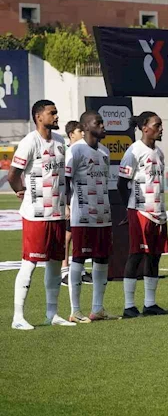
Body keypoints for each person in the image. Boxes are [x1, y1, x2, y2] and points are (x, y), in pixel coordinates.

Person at [9, 100, 74, 330]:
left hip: (56, 213)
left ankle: (52, 314)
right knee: (29, 263)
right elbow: (13, 174)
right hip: (36, 215)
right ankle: (18, 317)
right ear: (39, 117)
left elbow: (63, 178)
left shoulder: (59, 142)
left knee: (56, 263)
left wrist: (65, 204)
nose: (57, 116)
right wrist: (21, 190)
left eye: (56, 112)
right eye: (52, 113)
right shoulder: (29, 142)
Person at [64, 111, 117, 323]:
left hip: (103, 215)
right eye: (99, 122)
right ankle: (75, 310)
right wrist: (67, 205)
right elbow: (65, 180)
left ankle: (98, 309)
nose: (103, 126)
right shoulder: (75, 151)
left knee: (102, 259)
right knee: (79, 258)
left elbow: (107, 184)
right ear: (86, 126)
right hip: (82, 215)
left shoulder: (104, 152)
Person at [118, 111, 168, 318]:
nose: (161, 129)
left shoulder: (159, 152)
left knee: (154, 257)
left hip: (158, 212)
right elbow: (121, 183)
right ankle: (129, 306)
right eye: (157, 125)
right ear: (144, 128)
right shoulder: (134, 151)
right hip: (140, 211)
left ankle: (150, 304)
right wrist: (129, 208)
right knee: (136, 255)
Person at [60, 120, 89, 286]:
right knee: (68, 234)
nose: (83, 134)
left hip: (82, 200)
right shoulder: (66, 152)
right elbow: (64, 179)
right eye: (80, 131)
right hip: (69, 200)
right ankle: (64, 269)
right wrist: (65, 203)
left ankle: (80, 269)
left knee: (81, 234)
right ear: (72, 134)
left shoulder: (83, 151)